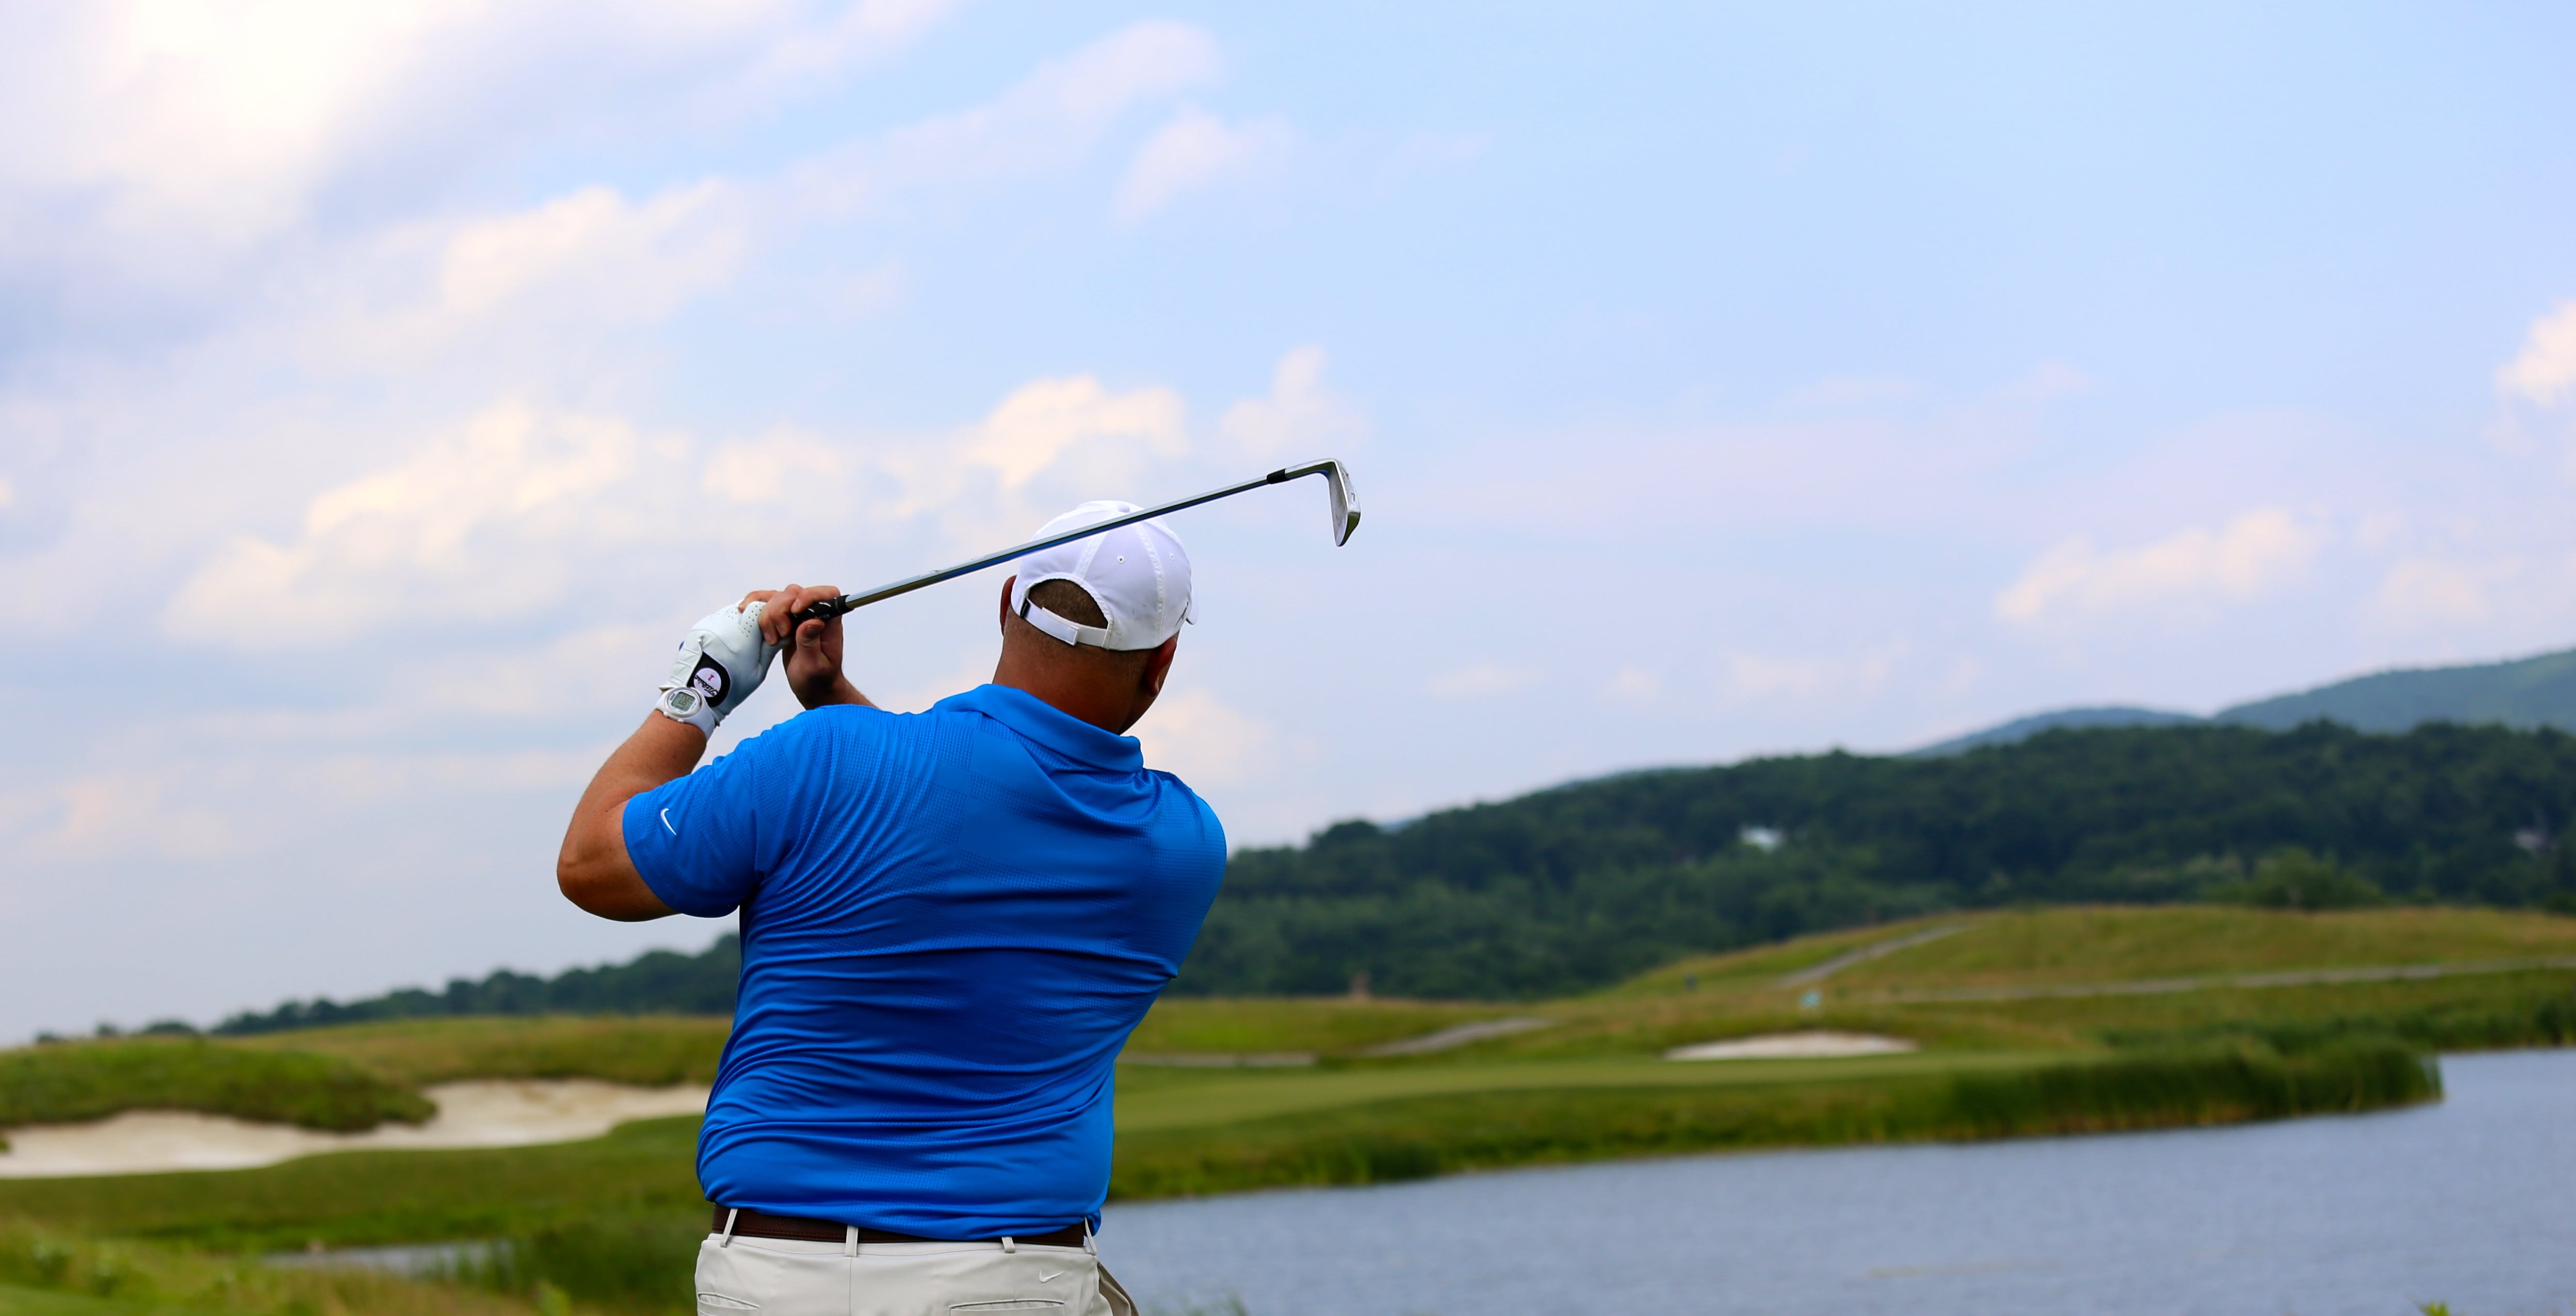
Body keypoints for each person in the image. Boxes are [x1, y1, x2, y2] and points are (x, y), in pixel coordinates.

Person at [555, 502, 1226, 1316]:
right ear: (1161, 662)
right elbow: (974, 808)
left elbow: (593, 864)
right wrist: (834, 697)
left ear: (1007, 598)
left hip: (771, 1273)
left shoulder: (824, 756)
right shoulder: (1179, 842)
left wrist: (705, 683)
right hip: (1011, 1279)